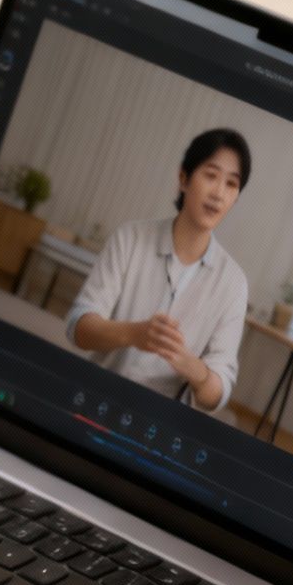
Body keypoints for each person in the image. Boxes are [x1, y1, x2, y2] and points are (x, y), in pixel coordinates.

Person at [65, 128, 253, 413]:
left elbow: (217, 393)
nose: (218, 193)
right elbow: (77, 326)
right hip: (97, 397)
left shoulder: (233, 283)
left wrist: (197, 371)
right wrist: (134, 334)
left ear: (236, 197)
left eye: (230, 184)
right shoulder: (130, 237)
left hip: (160, 422)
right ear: (183, 178)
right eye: (210, 175)